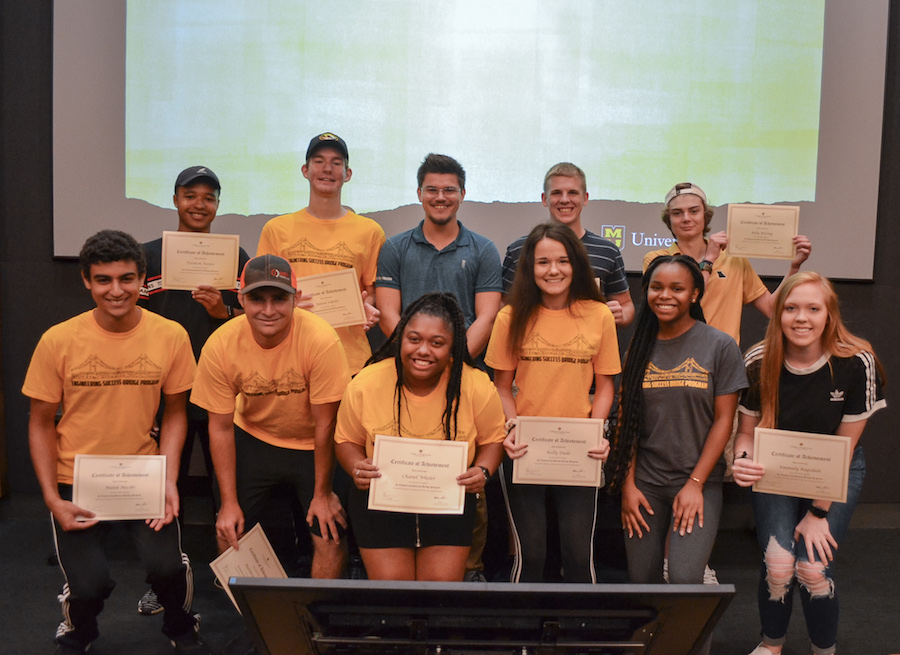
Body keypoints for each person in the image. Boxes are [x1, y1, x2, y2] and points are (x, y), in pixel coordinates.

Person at [22, 230, 211, 654]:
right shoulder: (58, 340)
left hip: (143, 477)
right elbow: (39, 423)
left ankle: (181, 627)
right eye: (104, 280)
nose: (116, 290)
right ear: (86, 282)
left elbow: (176, 412)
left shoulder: (171, 335)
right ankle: (79, 632)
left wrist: (168, 479)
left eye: (127, 279)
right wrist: (53, 498)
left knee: (167, 567)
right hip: (77, 482)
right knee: (88, 585)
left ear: (142, 279)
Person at [732, 272, 885, 655]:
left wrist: (818, 511)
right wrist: (742, 459)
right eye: (791, 308)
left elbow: (844, 449)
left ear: (829, 315)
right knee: (779, 564)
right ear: (777, 314)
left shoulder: (856, 362)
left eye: (813, 309)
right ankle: (771, 645)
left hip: (836, 471)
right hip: (776, 471)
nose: (802, 318)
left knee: (812, 570)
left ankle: (824, 650)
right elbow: (746, 434)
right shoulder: (758, 360)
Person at [375, 153, 503, 581]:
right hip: (403, 378)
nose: (440, 197)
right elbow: (389, 312)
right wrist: (417, 358)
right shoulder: (394, 249)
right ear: (418, 194)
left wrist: (450, 362)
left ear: (462, 195)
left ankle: (467, 570)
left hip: (464, 380)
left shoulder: (483, 250)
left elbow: (487, 315)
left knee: (467, 480)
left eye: (449, 189)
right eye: (432, 189)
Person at [190, 254, 351, 579]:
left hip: (313, 445)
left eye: (279, 299)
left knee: (329, 533)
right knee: (228, 528)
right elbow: (220, 428)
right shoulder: (220, 345)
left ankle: (314, 622)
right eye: (257, 299)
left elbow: (326, 424)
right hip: (255, 438)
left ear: (296, 299)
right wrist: (229, 502)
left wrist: (323, 494)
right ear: (241, 299)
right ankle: (254, 621)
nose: (268, 310)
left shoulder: (320, 340)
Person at [137, 165, 249, 615]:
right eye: (190, 195)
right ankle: (163, 581)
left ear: (218, 204)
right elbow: (130, 317)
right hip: (165, 393)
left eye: (209, 197)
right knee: (167, 488)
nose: (199, 205)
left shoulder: (237, 257)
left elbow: (256, 323)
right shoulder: (148, 255)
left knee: (231, 489)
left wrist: (222, 309)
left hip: (222, 388)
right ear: (175, 199)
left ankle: (234, 573)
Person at [334, 292, 505, 581]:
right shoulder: (367, 382)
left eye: (436, 343)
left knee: (438, 598)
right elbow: (346, 440)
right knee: (393, 596)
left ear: (452, 347)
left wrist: (483, 471)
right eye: (414, 339)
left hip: (448, 505)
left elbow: (493, 440)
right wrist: (355, 466)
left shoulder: (475, 385)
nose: (423, 350)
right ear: (400, 338)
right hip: (380, 505)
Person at [485, 223, 621, 583]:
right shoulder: (509, 317)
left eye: (562, 261)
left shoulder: (599, 315)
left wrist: (599, 430)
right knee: (531, 554)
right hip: (524, 448)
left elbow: (605, 386)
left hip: (580, 450)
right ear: (530, 267)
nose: (553, 270)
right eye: (543, 262)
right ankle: (522, 636)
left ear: (576, 264)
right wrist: (511, 427)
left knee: (579, 556)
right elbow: (500, 387)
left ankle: (580, 636)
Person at [606, 255, 747, 591]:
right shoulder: (638, 348)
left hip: (698, 480)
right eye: (656, 287)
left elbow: (724, 421)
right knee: (643, 581)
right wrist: (627, 486)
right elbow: (626, 422)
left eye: (677, 288)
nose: (665, 295)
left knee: (685, 580)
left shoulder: (719, 345)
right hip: (645, 483)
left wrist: (696, 484)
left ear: (695, 294)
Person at [257, 132, 384, 374]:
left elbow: (373, 290)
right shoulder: (276, 229)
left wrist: (366, 307)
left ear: (347, 174)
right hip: (289, 355)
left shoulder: (370, 231)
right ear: (305, 170)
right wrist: (288, 303)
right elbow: (264, 292)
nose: (327, 169)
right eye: (319, 161)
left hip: (349, 360)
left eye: (336, 163)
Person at [642, 182, 812, 344]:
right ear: (668, 219)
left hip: (724, 360)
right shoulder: (658, 261)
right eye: (677, 213)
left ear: (705, 215)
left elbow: (770, 309)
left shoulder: (733, 259)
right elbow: (687, 302)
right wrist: (709, 260)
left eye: (694, 211)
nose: (686, 218)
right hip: (678, 358)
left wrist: (794, 267)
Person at [501, 162, 635, 326]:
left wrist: (622, 315)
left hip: (589, 348)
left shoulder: (607, 251)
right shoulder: (519, 250)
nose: (565, 200)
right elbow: (504, 306)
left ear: (585, 198)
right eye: (557, 193)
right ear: (545, 199)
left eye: (573, 193)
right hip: (533, 347)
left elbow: (626, 305)